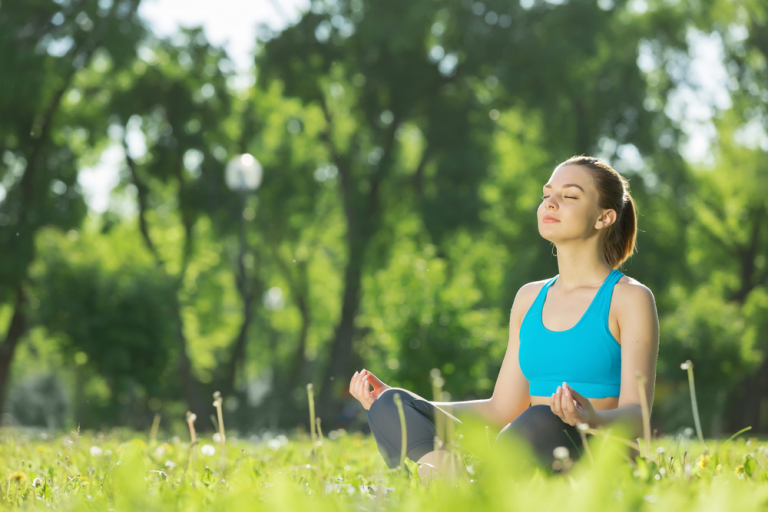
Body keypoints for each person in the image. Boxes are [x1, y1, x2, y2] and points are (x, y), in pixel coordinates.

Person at [348, 156, 660, 478]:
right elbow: (502, 409)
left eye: (568, 196)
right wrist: (410, 403)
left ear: (604, 217)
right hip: (522, 451)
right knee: (393, 405)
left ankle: (470, 489)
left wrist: (590, 418)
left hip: (596, 458)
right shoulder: (529, 298)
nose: (550, 203)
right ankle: (446, 482)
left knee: (542, 417)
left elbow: (638, 415)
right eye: (546, 195)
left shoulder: (629, 298)